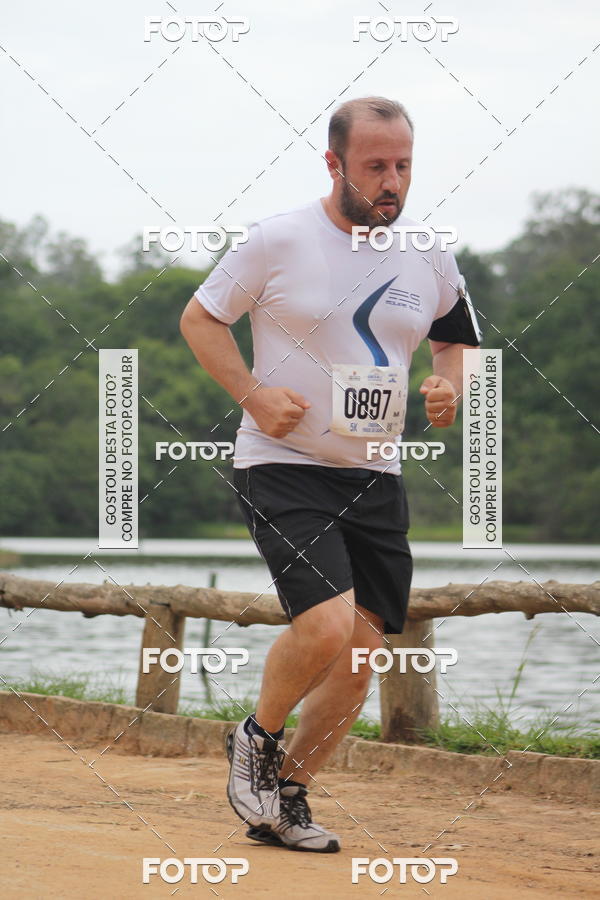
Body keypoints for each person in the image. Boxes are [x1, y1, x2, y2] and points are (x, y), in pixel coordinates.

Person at [180, 96, 481, 854]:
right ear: (334, 163)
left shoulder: (429, 254)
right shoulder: (277, 239)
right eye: (375, 165)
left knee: (358, 660)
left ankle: (286, 803)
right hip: (283, 465)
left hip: (375, 475)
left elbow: (456, 340)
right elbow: (200, 318)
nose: (392, 181)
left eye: (403, 165)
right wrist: (252, 394)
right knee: (323, 625)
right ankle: (255, 739)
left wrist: (449, 387)